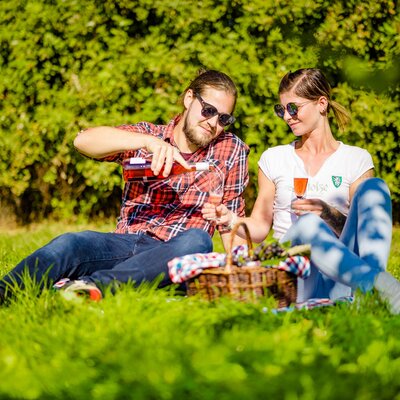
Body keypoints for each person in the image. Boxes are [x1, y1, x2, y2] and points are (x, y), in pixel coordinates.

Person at [0, 69, 249, 302]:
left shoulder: (229, 149)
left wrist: (242, 276)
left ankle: (92, 285)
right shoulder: (146, 135)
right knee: (71, 243)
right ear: (188, 99)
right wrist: (147, 142)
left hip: (173, 252)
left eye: (223, 118)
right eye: (208, 110)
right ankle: (6, 292)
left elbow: (232, 222)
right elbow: (83, 141)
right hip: (123, 243)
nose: (213, 122)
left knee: (197, 242)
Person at [202, 68, 400, 314]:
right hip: (299, 276)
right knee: (308, 226)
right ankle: (384, 289)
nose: (286, 116)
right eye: (281, 109)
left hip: (344, 275)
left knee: (375, 188)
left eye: (293, 108)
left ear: (322, 104)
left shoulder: (356, 159)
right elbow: (261, 227)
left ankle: (369, 296)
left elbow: (362, 231)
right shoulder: (274, 158)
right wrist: (230, 219)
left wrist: (329, 213)